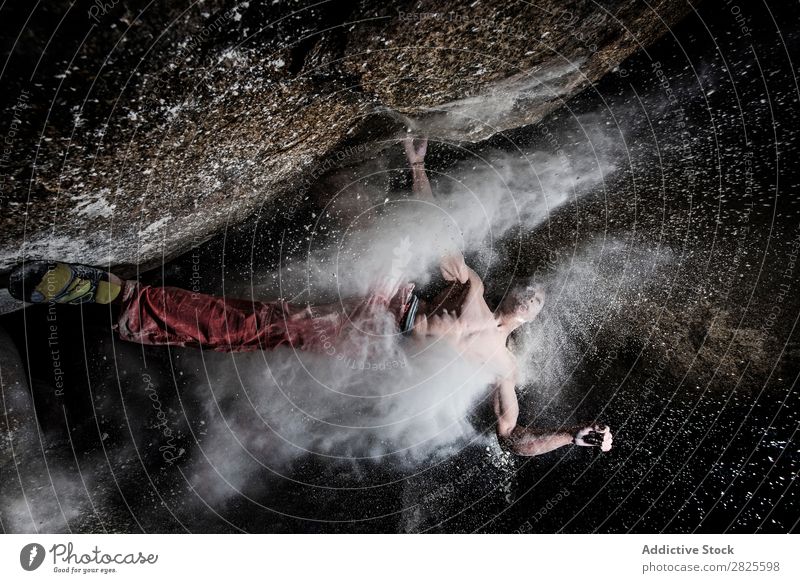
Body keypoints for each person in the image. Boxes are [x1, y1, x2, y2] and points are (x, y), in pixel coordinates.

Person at [6, 137, 612, 457]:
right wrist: (416, 167)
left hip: (375, 335)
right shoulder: (473, 284)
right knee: (382, 236)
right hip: (388, 301)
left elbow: (515, 440)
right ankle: (325, 186)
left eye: (537, 304)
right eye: (533, 291)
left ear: (530, 321)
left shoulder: (502, 366)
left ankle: (117, 298)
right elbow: (429, 227)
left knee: (254, 327)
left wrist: (574, 437)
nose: (532, 298)